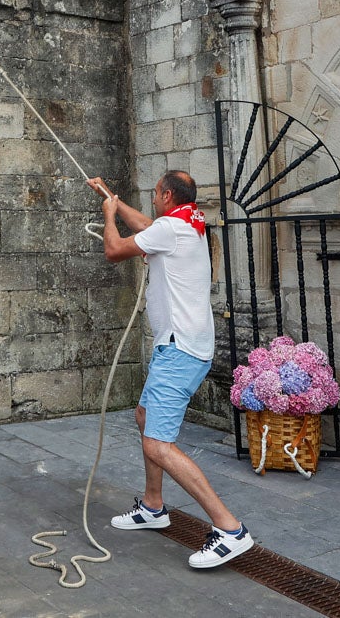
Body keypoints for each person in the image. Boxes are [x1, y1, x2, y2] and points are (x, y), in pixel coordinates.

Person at [86, 170, 254, 569]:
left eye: (155, 194)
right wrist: (112, 195)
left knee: (158, 444)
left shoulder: (173, 228)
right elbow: (147, 226)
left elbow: (114, 250)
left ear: (164, 194)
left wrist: (109, 214)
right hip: (183, 347)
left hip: (180, 350)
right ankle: (153, 505)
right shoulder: (187, 223)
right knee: (146, 418)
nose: (153, 201)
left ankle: (230, 529)